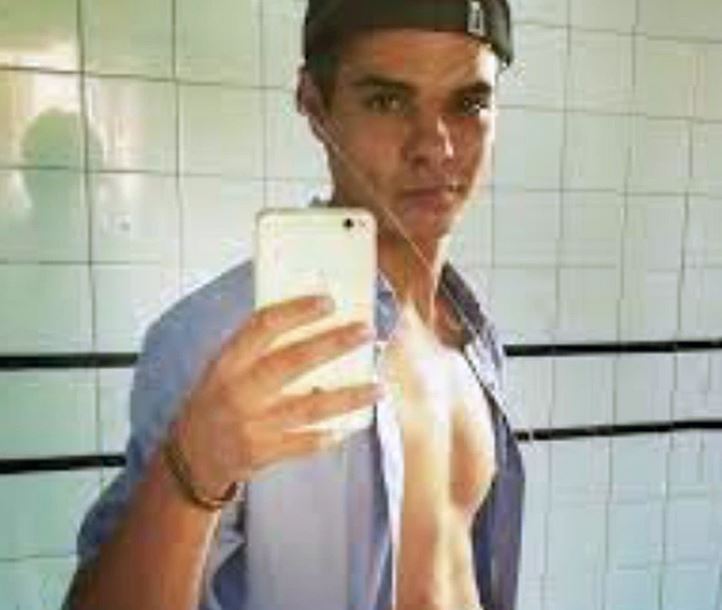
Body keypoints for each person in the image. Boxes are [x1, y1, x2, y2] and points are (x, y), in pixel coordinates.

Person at [64, 0, 524, 609]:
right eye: (387, 101)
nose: (434, 146)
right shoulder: (220, 339)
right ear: (313, 103)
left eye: (468, 104)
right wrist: (190, 474)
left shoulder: (471, 336)